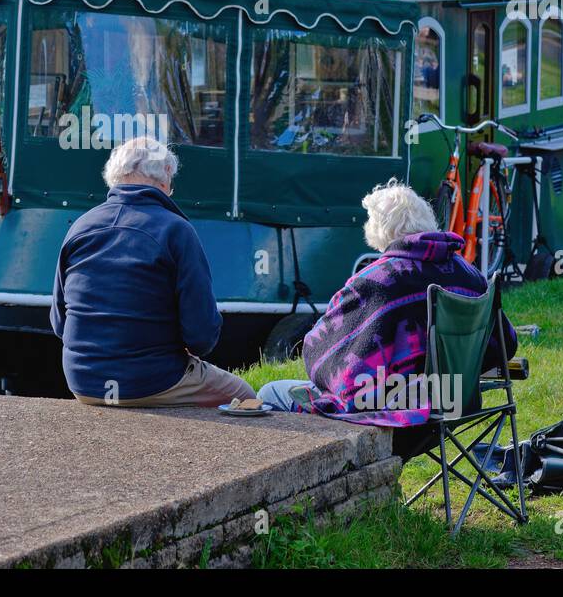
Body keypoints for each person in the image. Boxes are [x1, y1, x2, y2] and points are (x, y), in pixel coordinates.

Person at [257, 179, 517, 426]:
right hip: (456, 399)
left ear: (379, 230)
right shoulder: (469, 274)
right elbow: (507, 343)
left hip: (397, 409)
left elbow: (323, 355)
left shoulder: (379, 280)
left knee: (270, 392)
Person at [50, 136, 257, 407]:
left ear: (114, 177)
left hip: (83, 382)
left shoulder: (79, 227)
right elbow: (202, 336)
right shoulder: (176, 230)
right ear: (165, 177)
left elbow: (59, 323)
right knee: (247, 398)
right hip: (149, 381)